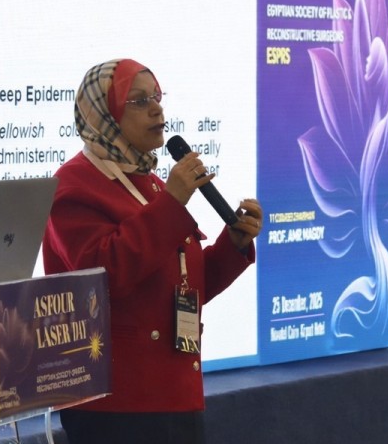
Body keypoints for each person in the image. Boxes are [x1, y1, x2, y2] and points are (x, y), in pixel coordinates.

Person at [42, 58, 263, 444]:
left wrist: (233, 245)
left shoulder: (151, 184)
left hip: (176, 393)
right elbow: (104, 278)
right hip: (116, 405)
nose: (157, 109)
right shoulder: (73, 185)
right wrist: (172, 203)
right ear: (104, 113)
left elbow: (184, 284)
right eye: (140, 101)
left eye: (158, 97)